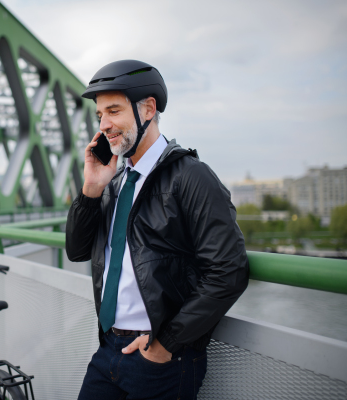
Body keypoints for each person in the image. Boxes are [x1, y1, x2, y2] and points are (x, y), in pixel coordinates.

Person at [66, 60, 250, 400]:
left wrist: (167, 342)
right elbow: (77, 250)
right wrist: (91, 189)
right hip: (108, 349)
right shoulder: (114, 181)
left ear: (148, 109)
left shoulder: (191, 176)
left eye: (114, 111)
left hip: (161, 359)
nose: (104, 124)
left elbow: (229, 270)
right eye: (99, 115)